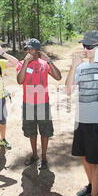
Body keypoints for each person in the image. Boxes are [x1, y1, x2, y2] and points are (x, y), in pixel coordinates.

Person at [65, 30, 98, 196]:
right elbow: (68, 91)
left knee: (96, 162)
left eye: (89, 46)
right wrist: (73, 66)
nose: (85, 49)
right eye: (84, 46)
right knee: (84, 158)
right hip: (81, 121)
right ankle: (91, 185)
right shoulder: (81, 67)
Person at [17, 38, 61, 170]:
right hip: (28, 104)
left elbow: (58, 77)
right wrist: (25, 62)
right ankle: (34, 155)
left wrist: (50, 61)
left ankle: (44, 157)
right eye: (27, 49)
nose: (28, 51)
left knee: (45, 132)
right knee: (31, 132)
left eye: (31, 49)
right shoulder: (21, 63)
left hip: (43, 103)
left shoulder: (44, 63)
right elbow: (20, 80)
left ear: (37, 50)